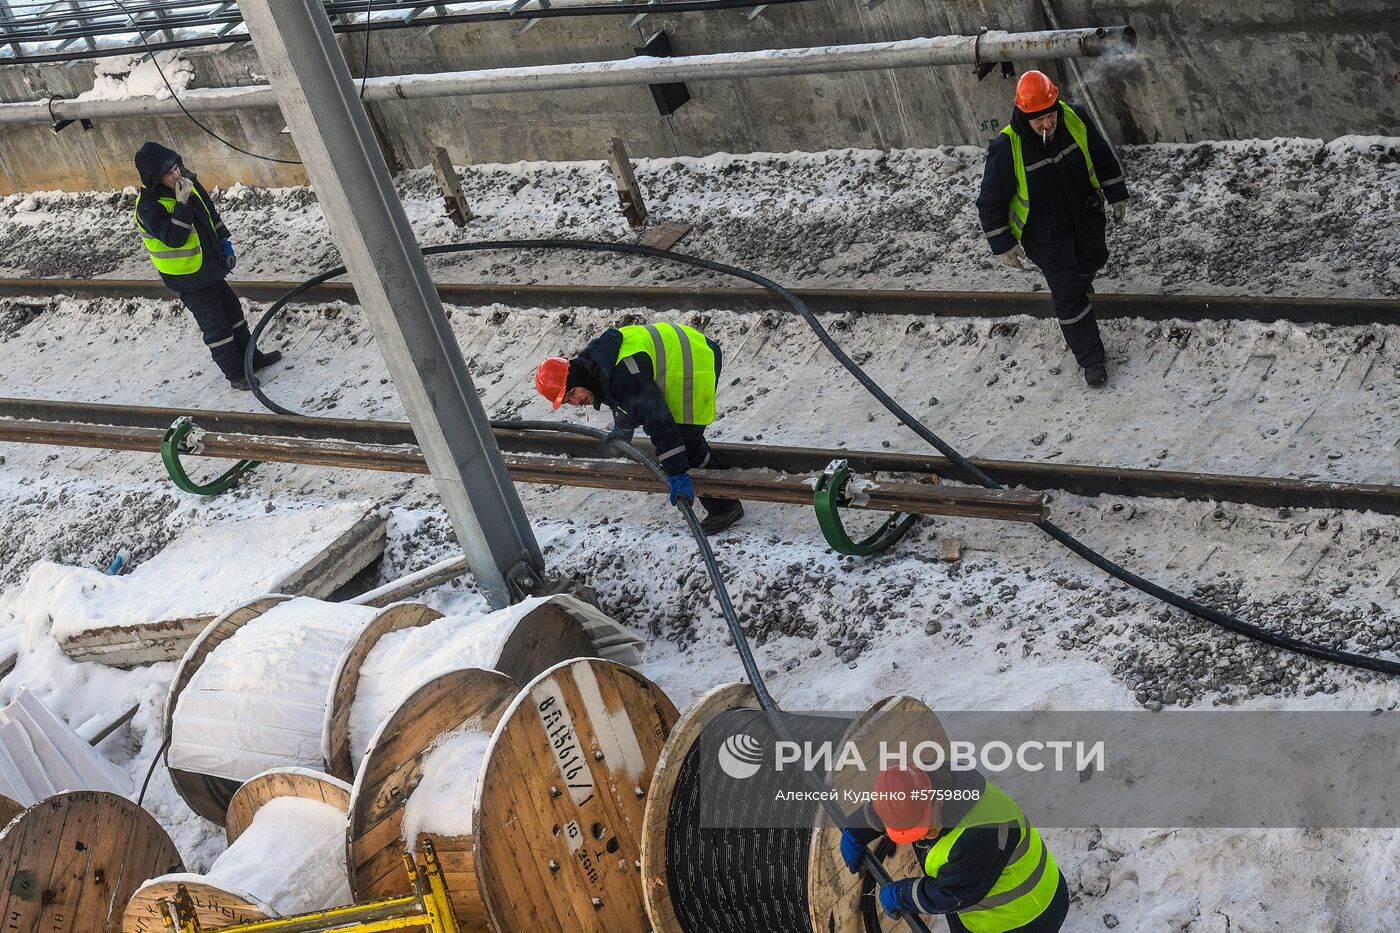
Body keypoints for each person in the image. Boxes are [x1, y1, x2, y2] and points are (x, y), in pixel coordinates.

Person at [976, 70, 1130, 388]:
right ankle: (1091, 360)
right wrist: (1002, 244)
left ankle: (1080, 284)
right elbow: (989, 202)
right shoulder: (1007, 147)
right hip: (1046, 238)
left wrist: (1116, 192)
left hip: (1086, 222)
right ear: (1024, 115)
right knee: (1069, 297)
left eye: (1050, 116)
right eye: (1039, 121)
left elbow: (1101, 156)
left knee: (1095, 260)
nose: (1047, 125)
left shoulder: (1075, 117)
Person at [534, 321, 744, 534]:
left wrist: (677, 473)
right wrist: (622, 430)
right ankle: (721, 486)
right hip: (684, 356)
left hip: (695, 362)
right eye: (568, 401)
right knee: (681, 442)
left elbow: (658, 421)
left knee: (685, 442)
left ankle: (725, 508)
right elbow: (623, 399)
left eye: (572, 393)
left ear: (577, 377)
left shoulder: (623, 373)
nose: (576, 402)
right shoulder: (598, 364)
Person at [841, 765, 1069, 932]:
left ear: (936, 800)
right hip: (991, 893)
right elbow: (895, 804)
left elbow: (951, 895)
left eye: (923, 828)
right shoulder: (931, 781)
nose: (923, 838)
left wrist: (902, 894)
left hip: (1029, 917)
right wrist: (856, 831)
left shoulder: (978, 834)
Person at [134, 141, 280, 391]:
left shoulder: (188, 184)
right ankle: (236, 375)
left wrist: (224, 242)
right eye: (168, 173)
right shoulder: (149, 207)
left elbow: (211, 214)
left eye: (176, 167)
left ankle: (251, 359)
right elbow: (174, 238)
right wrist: (181, 206)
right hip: (189, 278)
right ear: (155, 178)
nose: (176, 174)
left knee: (234, 315)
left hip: (209, 268)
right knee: (217, 328)